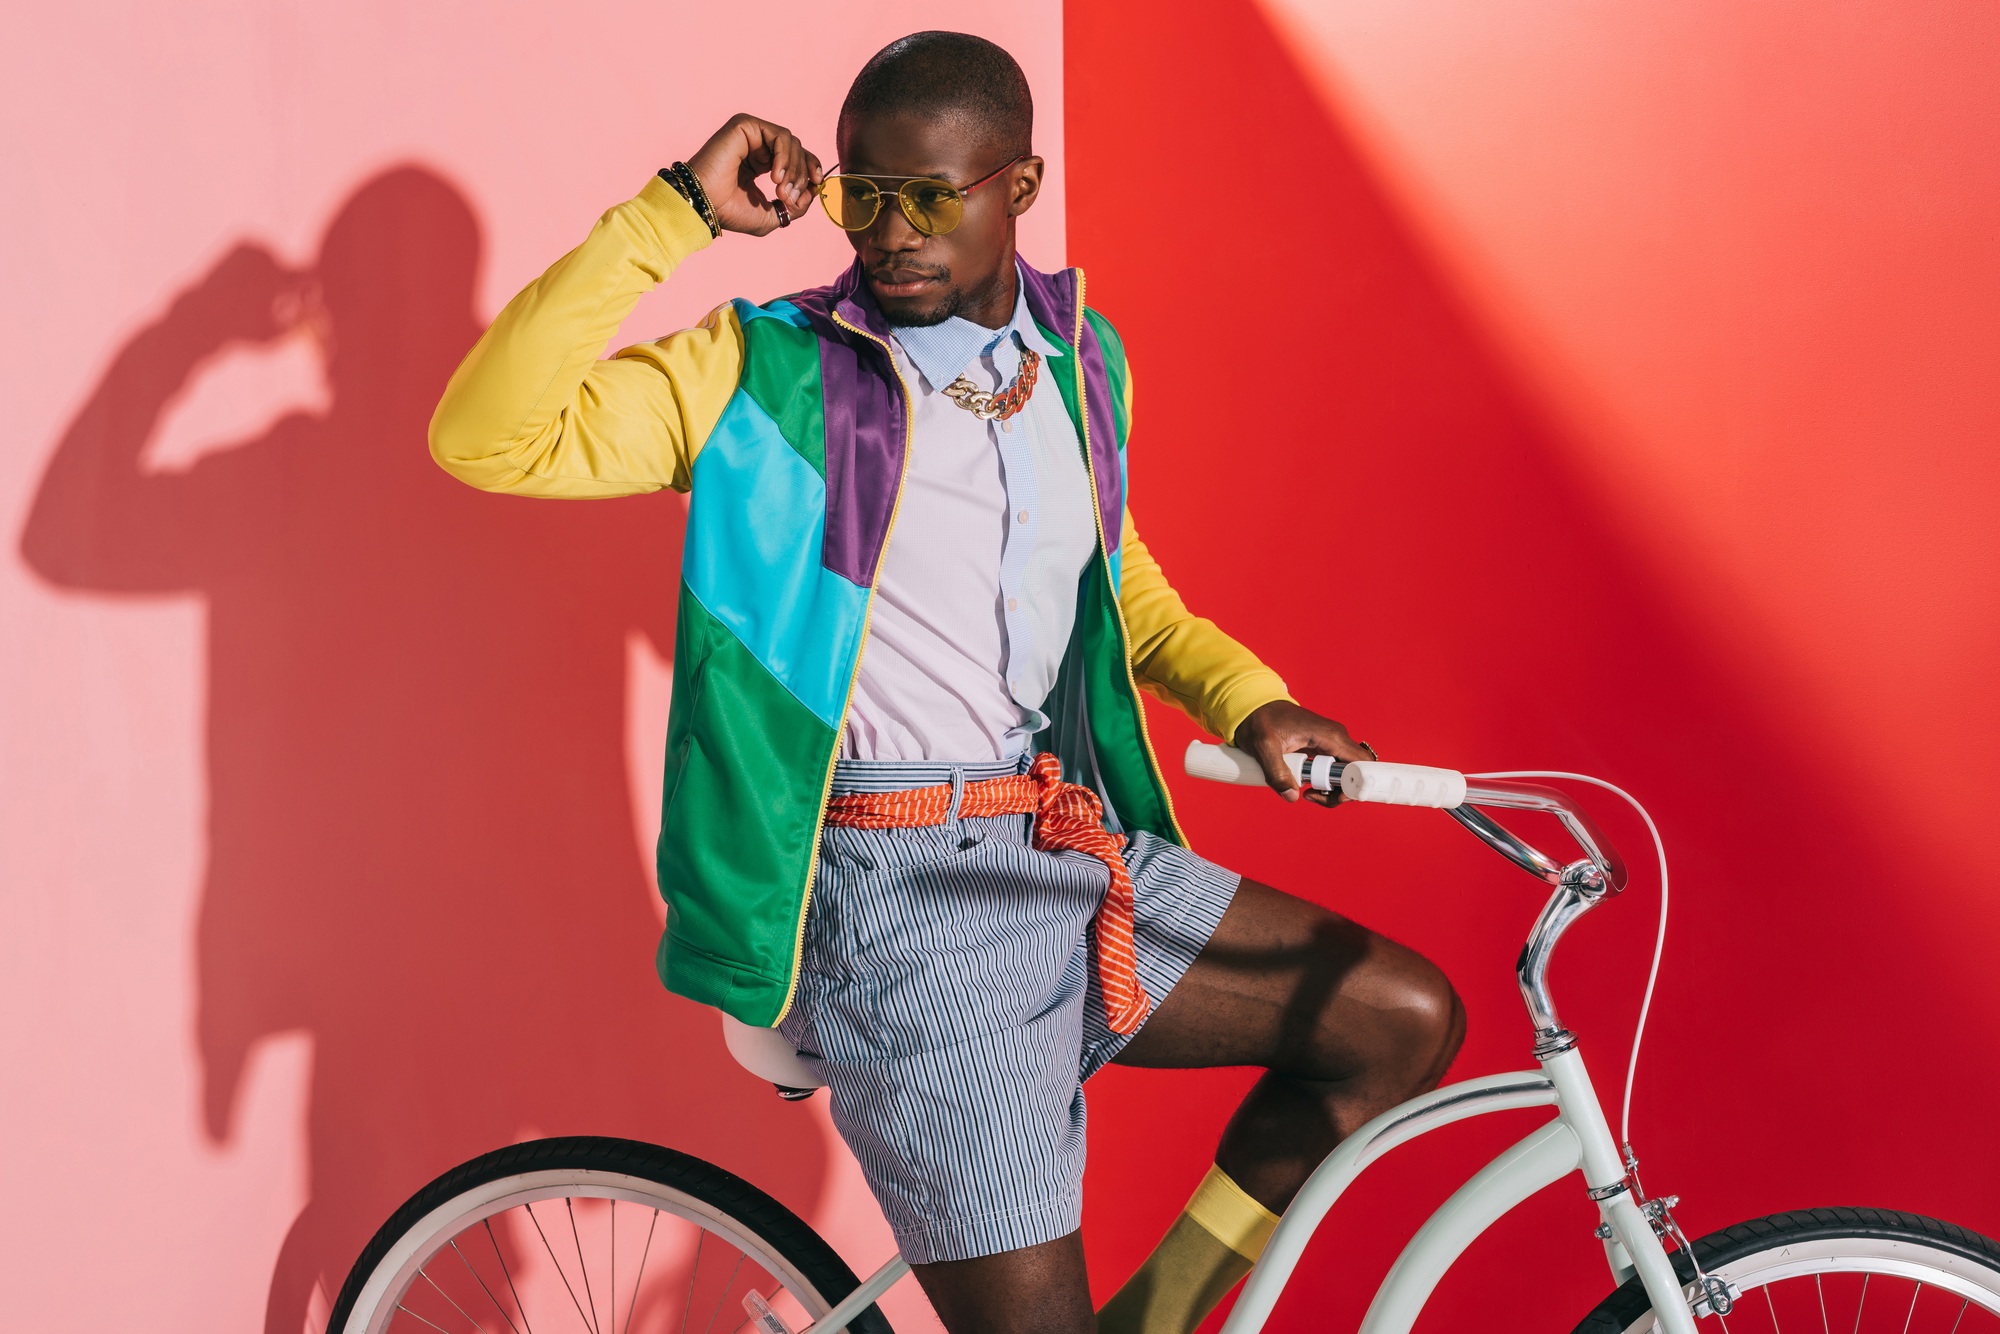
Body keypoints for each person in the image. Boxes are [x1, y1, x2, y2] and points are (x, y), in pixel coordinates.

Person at [430, 31, 1464, 1334]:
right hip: (893, 898)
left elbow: (1119, 586)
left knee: (1391, 1017)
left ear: (1017, 188)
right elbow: (487, 436)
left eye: (932, 195)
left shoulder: (1081, 362)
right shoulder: (766, 374)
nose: (892, 229)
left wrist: (1249, 700)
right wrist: (677, 211)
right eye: (866, 191)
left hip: (1060, 840)